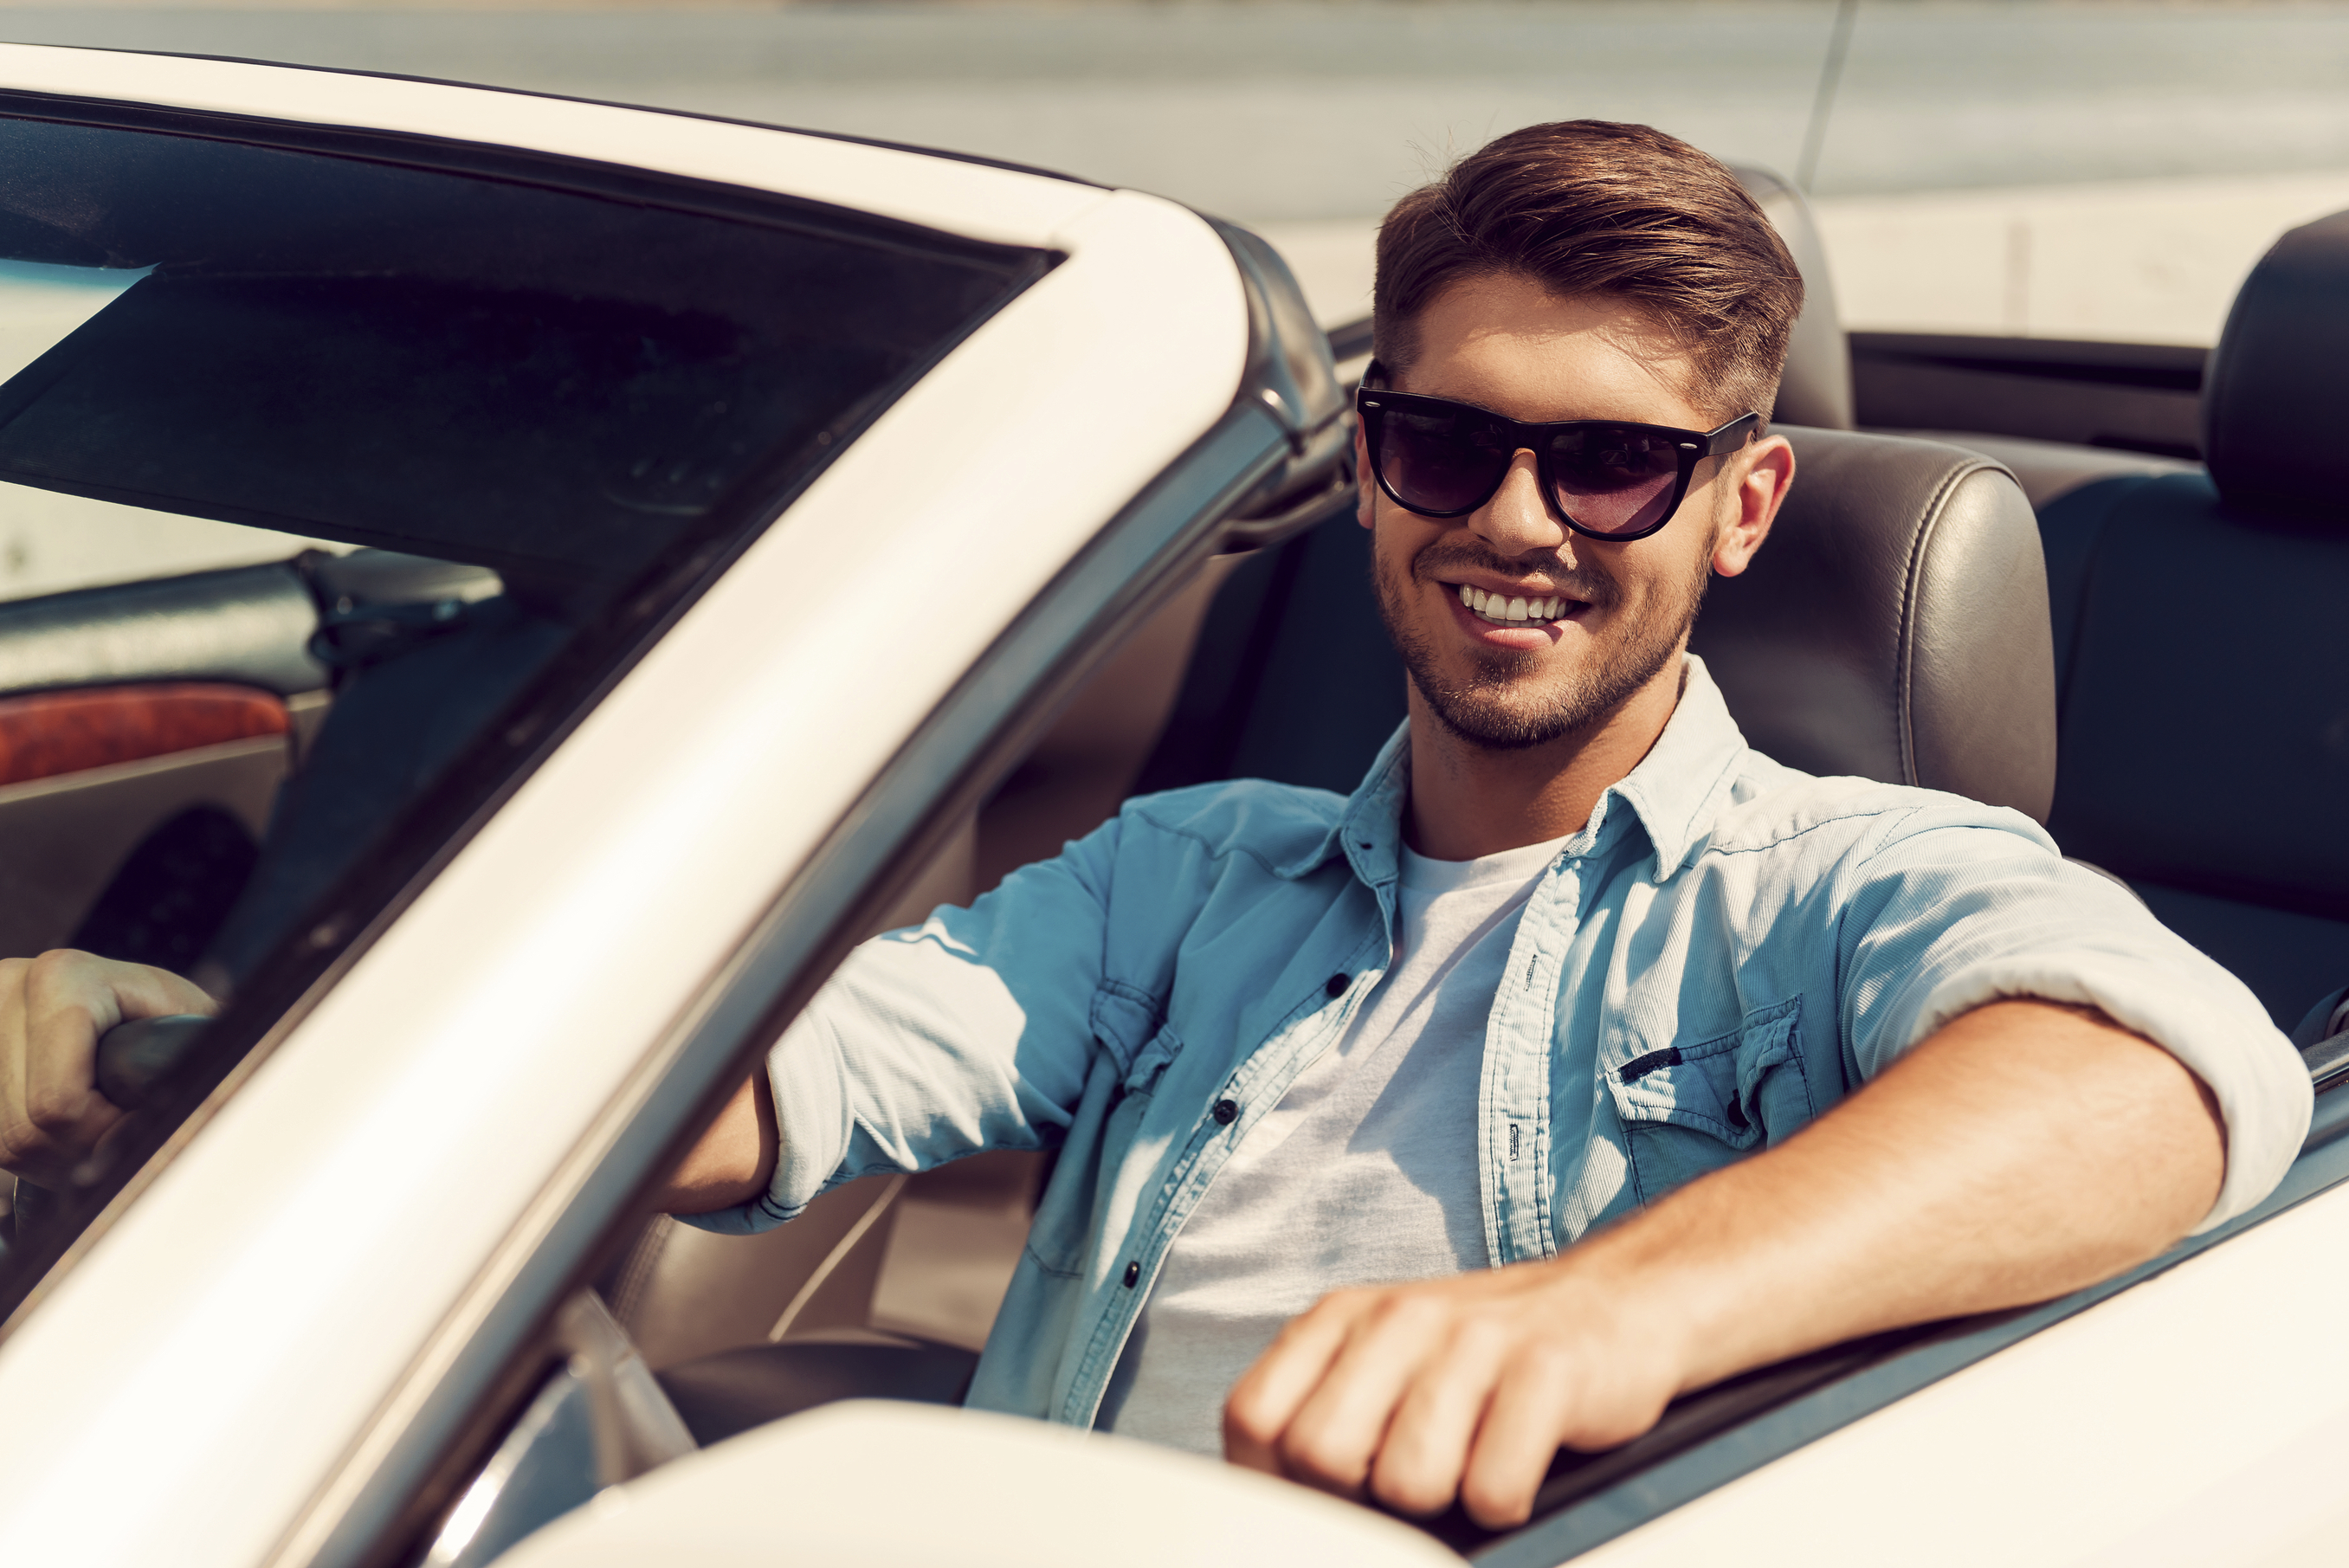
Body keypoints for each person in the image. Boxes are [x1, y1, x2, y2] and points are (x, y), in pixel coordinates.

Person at [0, 120, 2313, 1532]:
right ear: (1375, 462)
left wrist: (1608, 1313)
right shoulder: (1190, 871)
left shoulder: (1815, 880)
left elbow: (2154, 1071)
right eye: (1447, 444)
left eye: (1607, 462)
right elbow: (738, 1084)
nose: (1516, 518)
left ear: (1741, 507)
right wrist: (193, 1052)